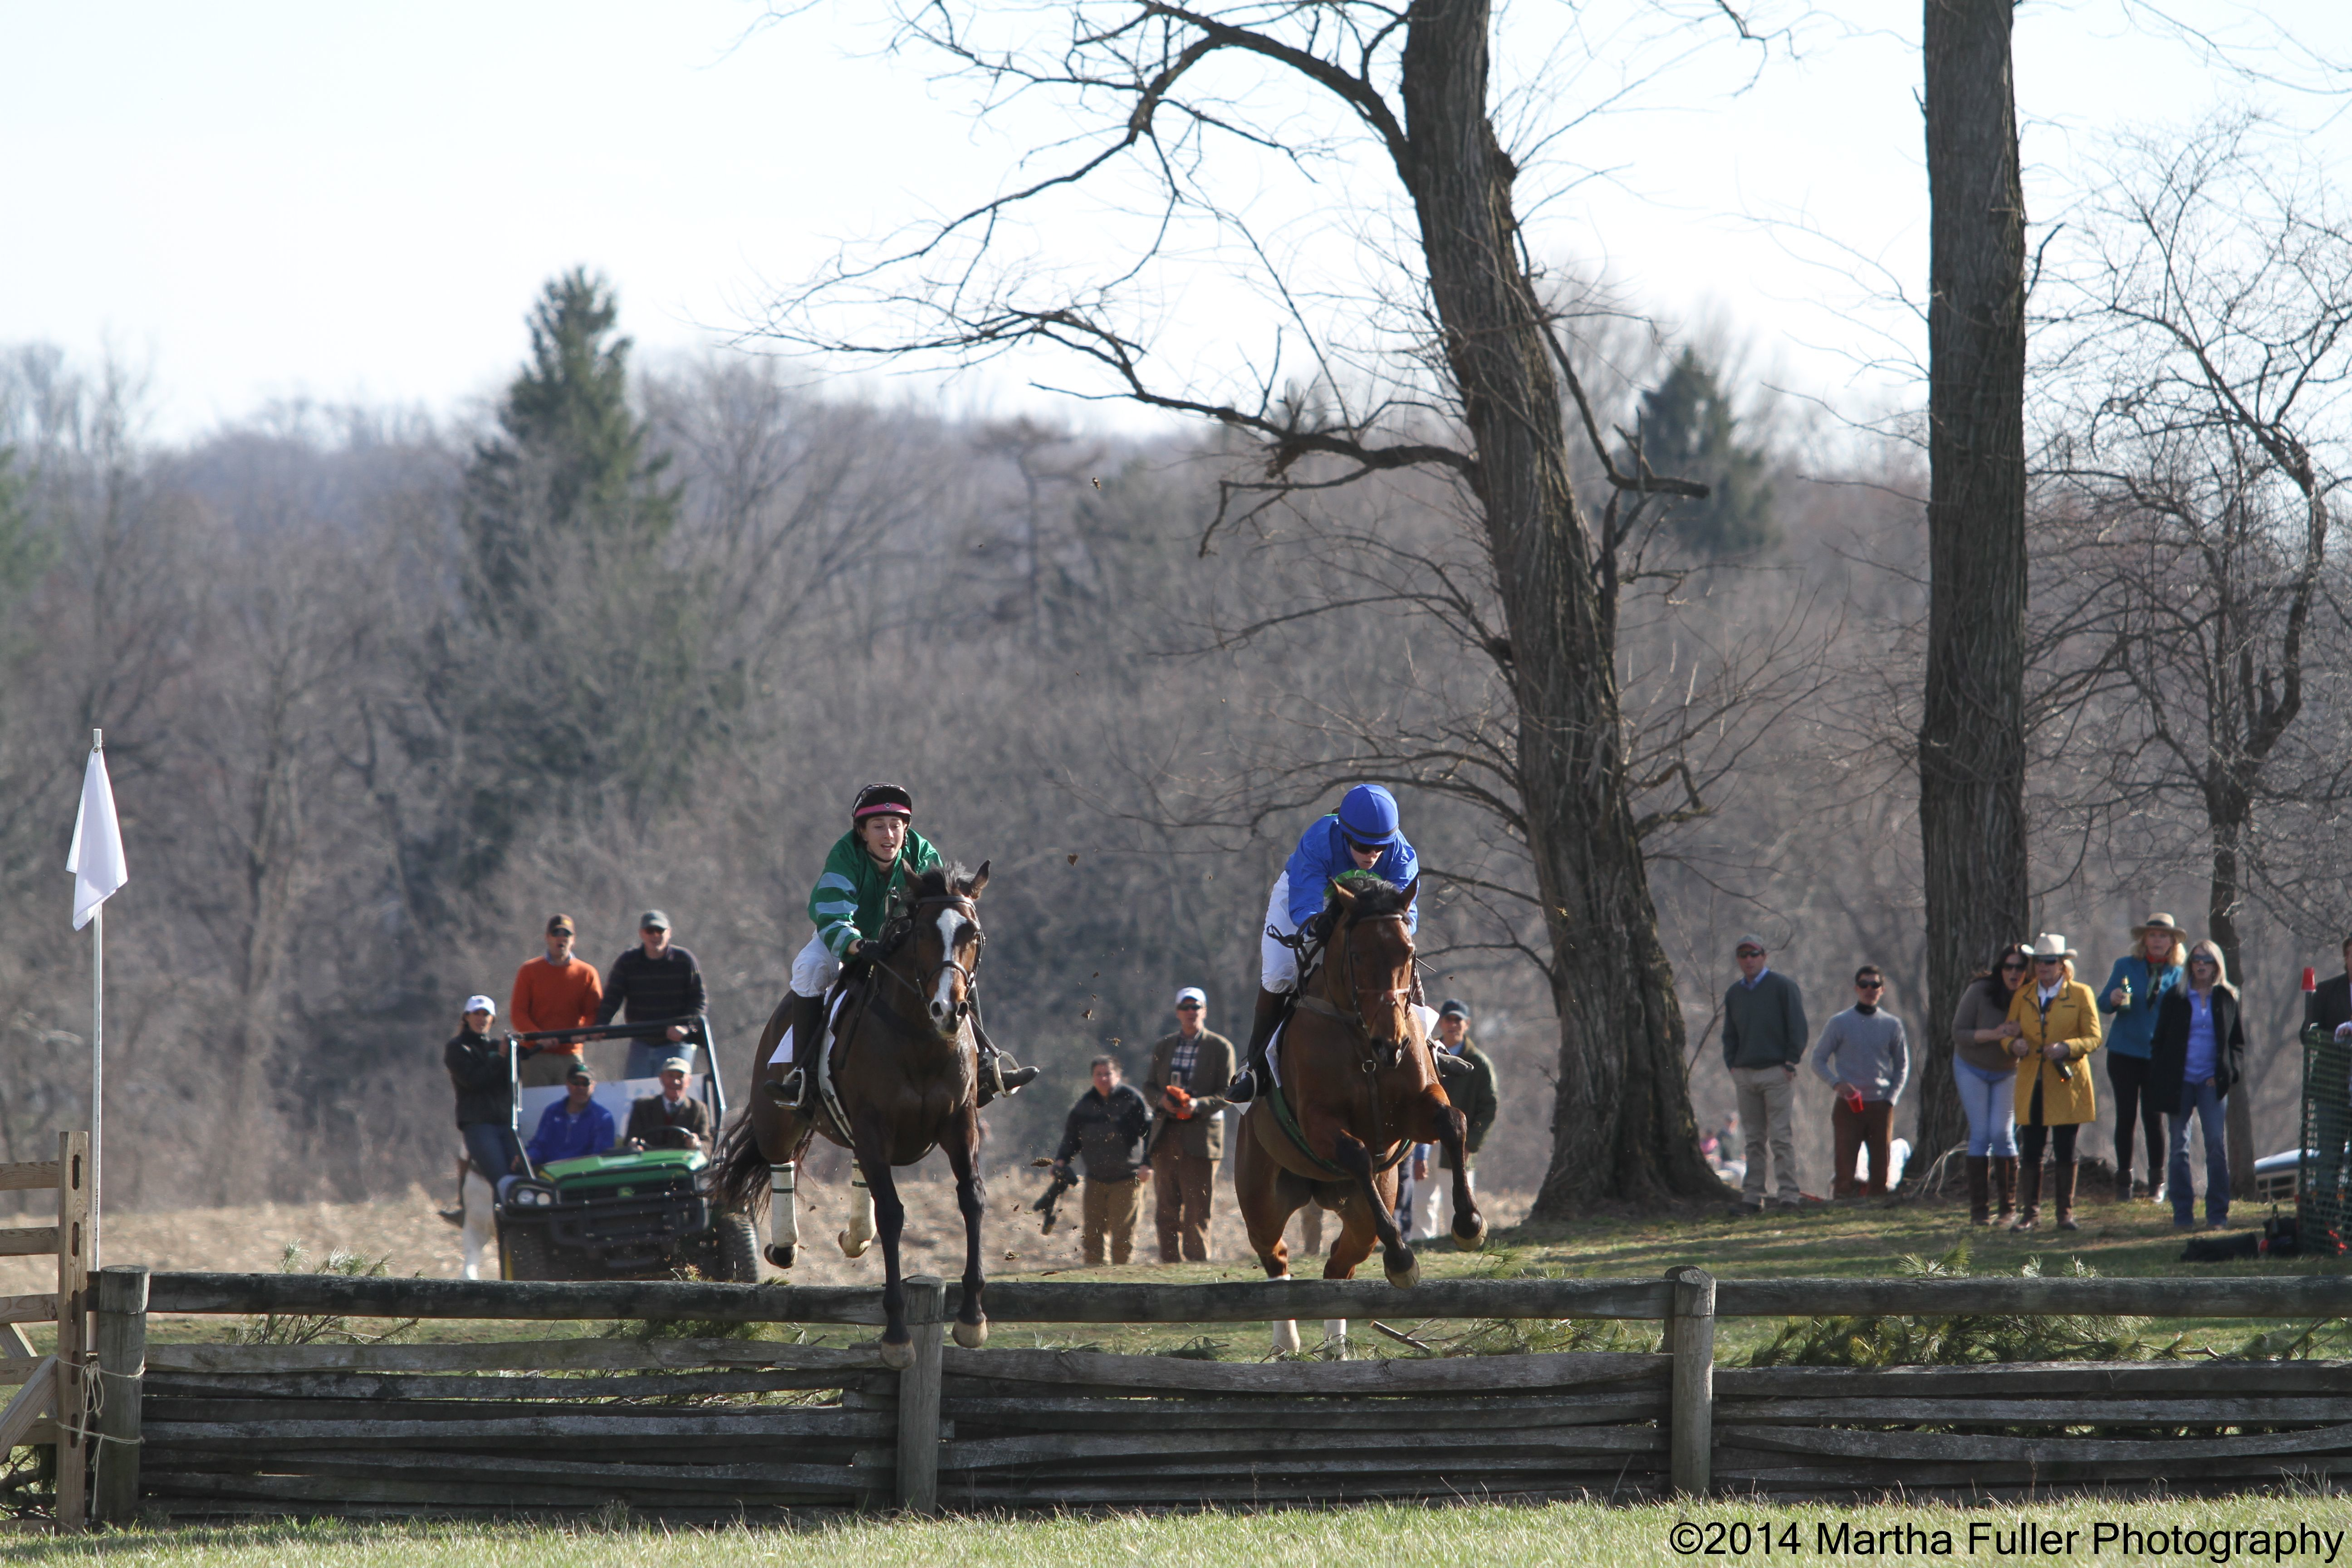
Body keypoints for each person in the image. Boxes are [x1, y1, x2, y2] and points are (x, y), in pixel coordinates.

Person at [773, 783, 1035, 1109]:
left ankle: (983, 1066)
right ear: (862, 831)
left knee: (953, 974)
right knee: (809, 968)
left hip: (902, 943)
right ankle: (803, 1076)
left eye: (896, 826)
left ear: (906, 830)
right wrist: (856, 945)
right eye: (879, 827)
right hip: (849, 941)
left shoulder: (923, 853)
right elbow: (831, 911)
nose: (889, 835)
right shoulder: (844, 855)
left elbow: (940, 911)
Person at [1226, 785, 1451, 1104]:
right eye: (1362, 846)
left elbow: (1407, 914)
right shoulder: (1320, 841)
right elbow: (1304, 905)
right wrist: (1321, 925)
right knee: (1278, 974)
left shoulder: (1401, 854)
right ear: (1344, 834)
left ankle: (1429, 1049)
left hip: (1369, 907)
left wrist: (1394, 934)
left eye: (1380, 848)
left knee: (1400, 960)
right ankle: (1257, 1067)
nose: (1372, 855)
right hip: (1307, 899)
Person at [2004, 934, 2103, 1232]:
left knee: (2065, 1147)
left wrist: (2066, 1048)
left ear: (2062, 965)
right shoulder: (2023, 995)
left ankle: (2065, 1214)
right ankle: (2030, 1214)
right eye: (2039, 962)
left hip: (2065, 1080)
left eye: (2050, 962)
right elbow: (2008, 1033)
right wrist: (2013, 1046)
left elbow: (2094, 1037)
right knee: (2031, 1148)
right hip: (2032, 1079)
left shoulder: (2081, 994)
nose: (2043, 967)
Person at [2148, 940, 2245, 1231]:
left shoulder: (2227, 998)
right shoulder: (2175, 998)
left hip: (2210, 1083)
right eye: (2196, 959)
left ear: (2217, 965)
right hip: (2180, 1082)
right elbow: (2160, 1041)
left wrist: (2229, 1073)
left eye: (2207, 960)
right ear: (2190, 964)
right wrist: (2161, 1074)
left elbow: (2237, 1044)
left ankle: (2217, 1214)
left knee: (2216, 1145)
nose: (2201, 965)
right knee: (2179, 1146)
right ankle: (2183, 1214)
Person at [2097, 913, 2187, 1201]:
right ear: (2144, 940)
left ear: (2172, 942)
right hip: (2124, 1051)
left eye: (2163, 936)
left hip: (2158, 1056)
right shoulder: (2126, 966)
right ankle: (2124, 1181)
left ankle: (2157, 1183)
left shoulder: (2180, 973)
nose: (2158, 941)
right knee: (2126, 1116)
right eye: (2153, 936)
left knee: (2154, 1118)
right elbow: (2103, 1003)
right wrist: (2112, 1000)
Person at [1148, 986, 1235, 1262]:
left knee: (1198, 1209)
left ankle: (1197, 1264)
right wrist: (1163, 1100)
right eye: (1185, 1007)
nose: (1191, 1012)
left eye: (1196, 1007)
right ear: (1177, 1013)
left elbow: (1229, 1093)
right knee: (1166, 1209)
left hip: (1201, 1139)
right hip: (1167, 1135)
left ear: (1204, 1011)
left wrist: (1197, 1104)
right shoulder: (1164, 1046)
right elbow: (1148, 1086)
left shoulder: (1220, 1047)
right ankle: (1169, 1263)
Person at [1722, 934, 1808, 1214]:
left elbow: (1798, 1028)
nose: (1749, 960)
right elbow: (1730, 1035)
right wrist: (1732, 1065)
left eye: (1754, 954)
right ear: (1738, 960)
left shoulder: (1783, 987)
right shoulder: (1735, 993)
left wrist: (1790, 1063)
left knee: (1781, 1137)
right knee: (1753, 1139)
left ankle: (1788, 1196)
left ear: (1764, 956)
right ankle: (1752, 1196)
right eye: (1743, 955)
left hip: (1776, 1072)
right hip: (1745, 1074)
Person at [1810, 966, 1911, 1199]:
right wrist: (1837, 1084)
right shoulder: (1839, 1023)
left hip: (1880, 1105)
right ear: (1856, 989)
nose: (1869, 989)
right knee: (1845, 1167)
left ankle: (1876, 1211)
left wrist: (1891, 1098)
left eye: (1875, 985)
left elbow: (1902, 1065)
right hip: (1849, 1106)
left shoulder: (1892, 1025)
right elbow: (1818, 1060)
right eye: (1864, 985)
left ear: (1882, 990)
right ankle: (1842, 1206)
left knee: (1880, 1170)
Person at [1951, 943, 2029, 1226]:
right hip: (1972, 1066)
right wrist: (1995, 1035)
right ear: (2001, 969)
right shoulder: (1980, 991)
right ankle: (1979, 1212)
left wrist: (2022, 1039)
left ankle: (2008, 1210)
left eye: (2020, 967)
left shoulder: (2032, 996)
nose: (2014, 972)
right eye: (2009, 967)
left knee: (2002, 1133)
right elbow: (1958, 1033)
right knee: (1981, 1134)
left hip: (2009, 1071)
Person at [1052, 1056, 1153, 1265]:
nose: (1104, 1078)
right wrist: (1061, 1161)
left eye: (1108, 1074)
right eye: (1099, 1074)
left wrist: (1148, 1164)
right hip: (1095, 1180)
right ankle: (1095, 1282)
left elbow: (1151, 1134)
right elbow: (1072, 1138)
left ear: (1118, 1075)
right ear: (1093, 1078)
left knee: (1122, 1237)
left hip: (1128, 1179)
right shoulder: (1085, 1105)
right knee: (1092, 1237)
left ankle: (1121, 1281)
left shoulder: (1132, 1100)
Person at [1412, 999, 1497, 1240]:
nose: (1452, 1025)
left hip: (1460, 1147)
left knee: (1458, 1202)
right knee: (1422, 1202)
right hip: (1427, 1143)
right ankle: (1422, 1246)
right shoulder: (1428, 1053)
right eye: (1448, 1019)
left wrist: (1471, 1143)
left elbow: (1489, 1107)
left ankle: (1460, 1243)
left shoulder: (1479, 1063)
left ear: (1467, 1024)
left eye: (1457, 1020)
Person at [596, 911, 708, 1081]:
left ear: (669, 932)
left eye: (660, 931)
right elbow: (613, 997)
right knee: (637, 1095)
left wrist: (684, 1026)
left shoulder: (684, 961)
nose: (655, 936)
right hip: (642, 1041)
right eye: (650, 931)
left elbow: (699, 1000)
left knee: (675, 1090)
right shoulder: (627, 962)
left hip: (676, 1043)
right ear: (642, 934)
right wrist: (601, 1025)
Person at [444, 995, 525, 1210]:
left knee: (523, 1177)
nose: (481, 1019)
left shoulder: (499, 1046)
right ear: (466, 1018)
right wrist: (499, 1058)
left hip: (506, 1123)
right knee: (503, 1181)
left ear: (493, 1020)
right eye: (476, 1014)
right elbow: (473, 1081)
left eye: (486, 1015)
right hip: (478, 1125)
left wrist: (517, 1052)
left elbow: (515, 1079)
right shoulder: (457, 1049)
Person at [509, 914, 605, 1088]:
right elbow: (519, 1013)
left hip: (570, 1054)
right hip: (536, 1054)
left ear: (573, 940)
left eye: (566, 934)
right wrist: (538, 1037)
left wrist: (583, 1032)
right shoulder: (529, 971)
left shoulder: (587, 973)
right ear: (547, 938)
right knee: (537, 1109)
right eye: (556, 933)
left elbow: (594, 1012)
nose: (561, 939)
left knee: (573, 1106)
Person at [2301, 935, 2352, 1224]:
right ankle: (2326, 1225)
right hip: (2331, 1089)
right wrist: (2317, 1034)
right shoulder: (2328, 991)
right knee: (2329, 1158)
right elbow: (2307, 1033)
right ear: (2346, 957)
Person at [527, 1060, 618, 1166]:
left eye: (585, 1083)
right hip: (549, 1175)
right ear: (567, 1084)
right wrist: (528, 1157)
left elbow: (599, 1157)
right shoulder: (552, 1111)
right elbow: (539, 1146)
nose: (580, 1087)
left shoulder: (603, 1118)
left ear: (593, 1085)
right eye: (575, 1082)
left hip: (581, 1177)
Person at [624, 1056, 714, 1152]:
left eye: (680, 1076)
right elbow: (630, 1140)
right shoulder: (642, 1107)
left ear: (689, 1081)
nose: (675, 1082)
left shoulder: (698, 1109)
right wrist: (633, 1144)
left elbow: (708, 1147)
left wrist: (696, 1144)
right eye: (671, 1076)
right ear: (661, 1078)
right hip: (650, 1163)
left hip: (683, 1165)